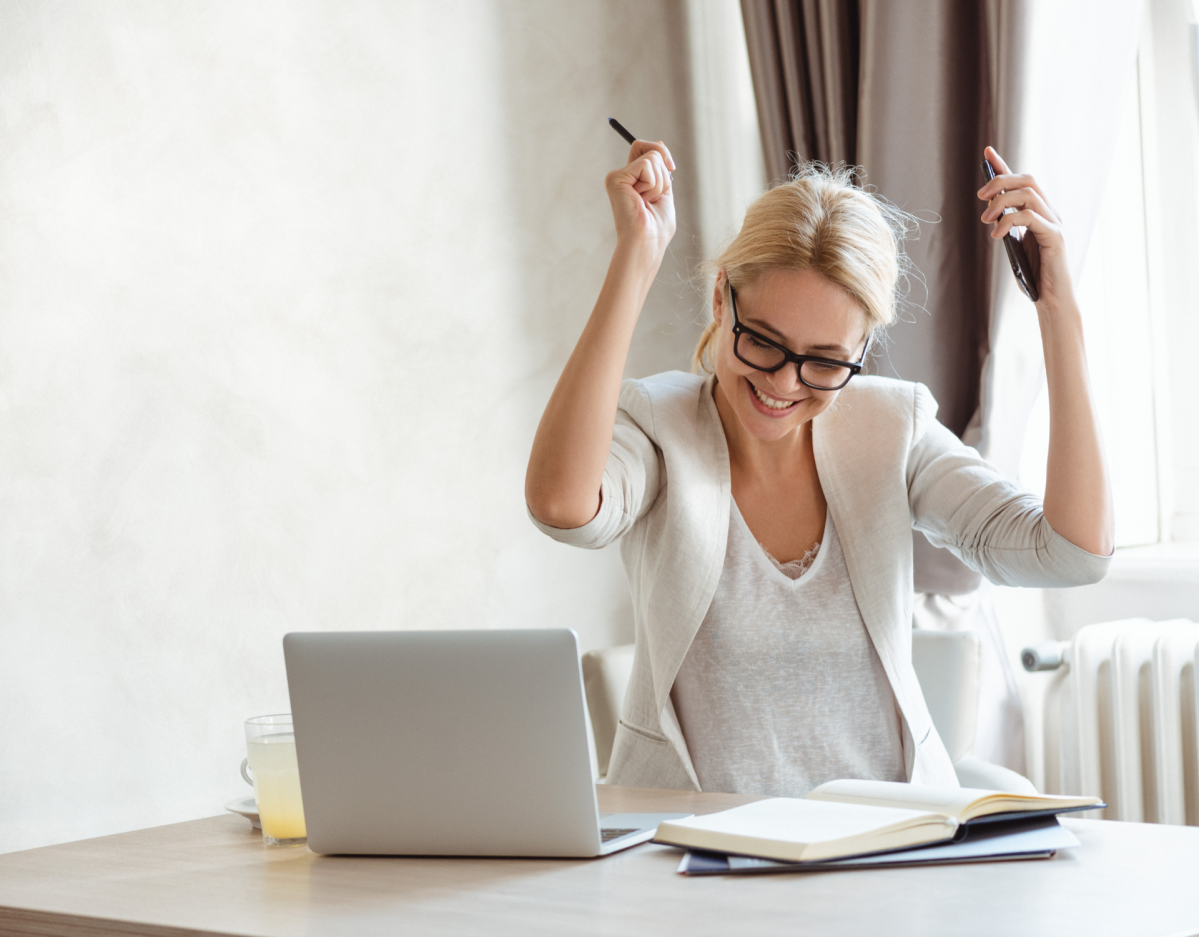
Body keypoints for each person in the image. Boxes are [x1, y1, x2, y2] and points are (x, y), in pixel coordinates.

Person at [525, 137, 1112, 795]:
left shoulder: (890, 428)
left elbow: (1070, 554)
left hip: (879, 852)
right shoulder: (658, 426)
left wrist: (1058, 310)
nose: (783, 382)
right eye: (762, 342)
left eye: (826, 360)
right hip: (695, 858)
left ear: (863, 347)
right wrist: (636, 259)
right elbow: (562, 506)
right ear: (721, 300)